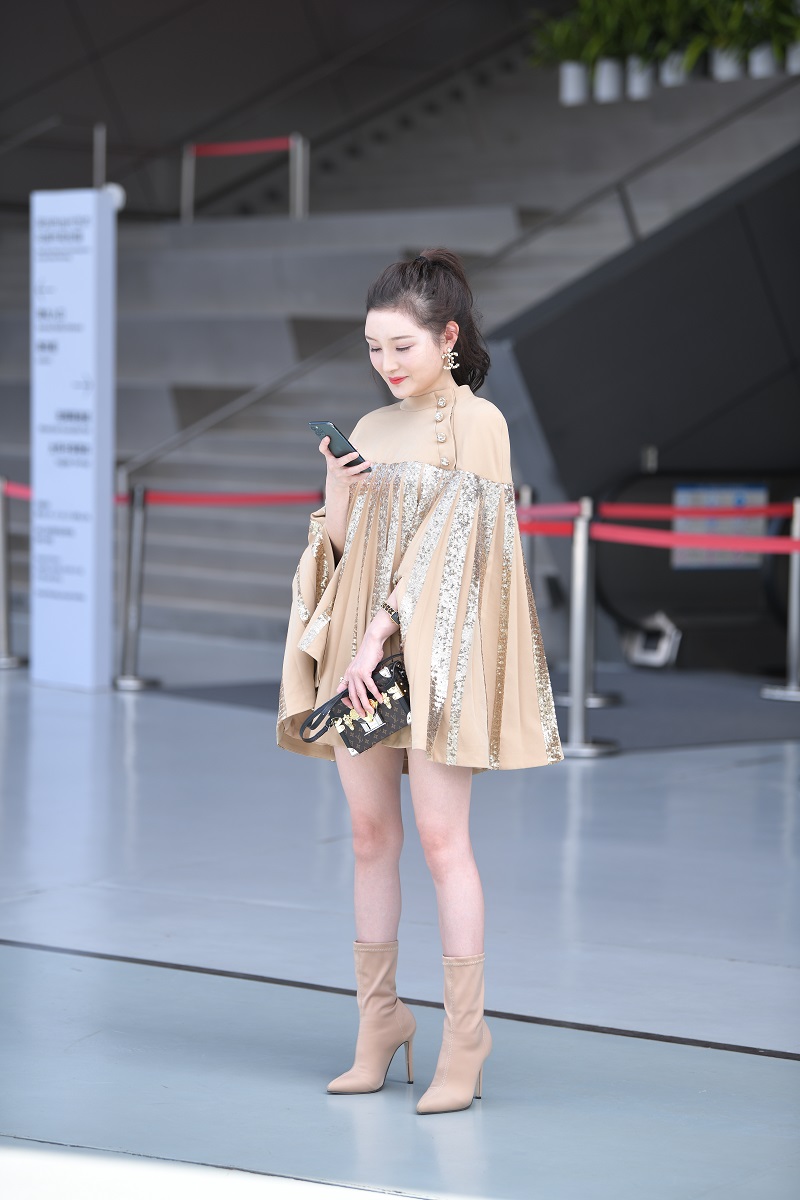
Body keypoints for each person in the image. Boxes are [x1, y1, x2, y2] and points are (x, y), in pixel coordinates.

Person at [277, 249, 563, 1114]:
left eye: (401, 346)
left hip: (436, 658)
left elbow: (460, 548)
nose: (386, 364)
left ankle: (466, 1035)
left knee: (443, 842)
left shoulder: (481, 423)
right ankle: (380, 1022)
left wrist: (379, 632)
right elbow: (338, 553)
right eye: (373, 348)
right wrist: (338, 486)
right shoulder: (370, 425)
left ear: (449, 338)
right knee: (370, 838)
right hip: (361, 659)